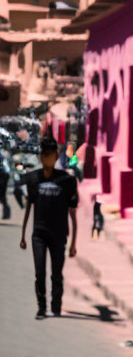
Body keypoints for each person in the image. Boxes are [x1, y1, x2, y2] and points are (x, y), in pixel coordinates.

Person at [20, 136, 79, 319]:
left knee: (56, 273)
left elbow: (72, 215)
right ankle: (41, 306)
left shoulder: (67, 181)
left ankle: (56, 305)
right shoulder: (33, 179)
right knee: (40, 272)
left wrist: (73, 243)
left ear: (56, 156)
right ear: (40, 157)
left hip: (59, 234)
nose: (47, 158)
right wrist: (22, 235)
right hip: (39, 234)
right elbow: (29, 207)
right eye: (44, 155)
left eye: (51, 155)